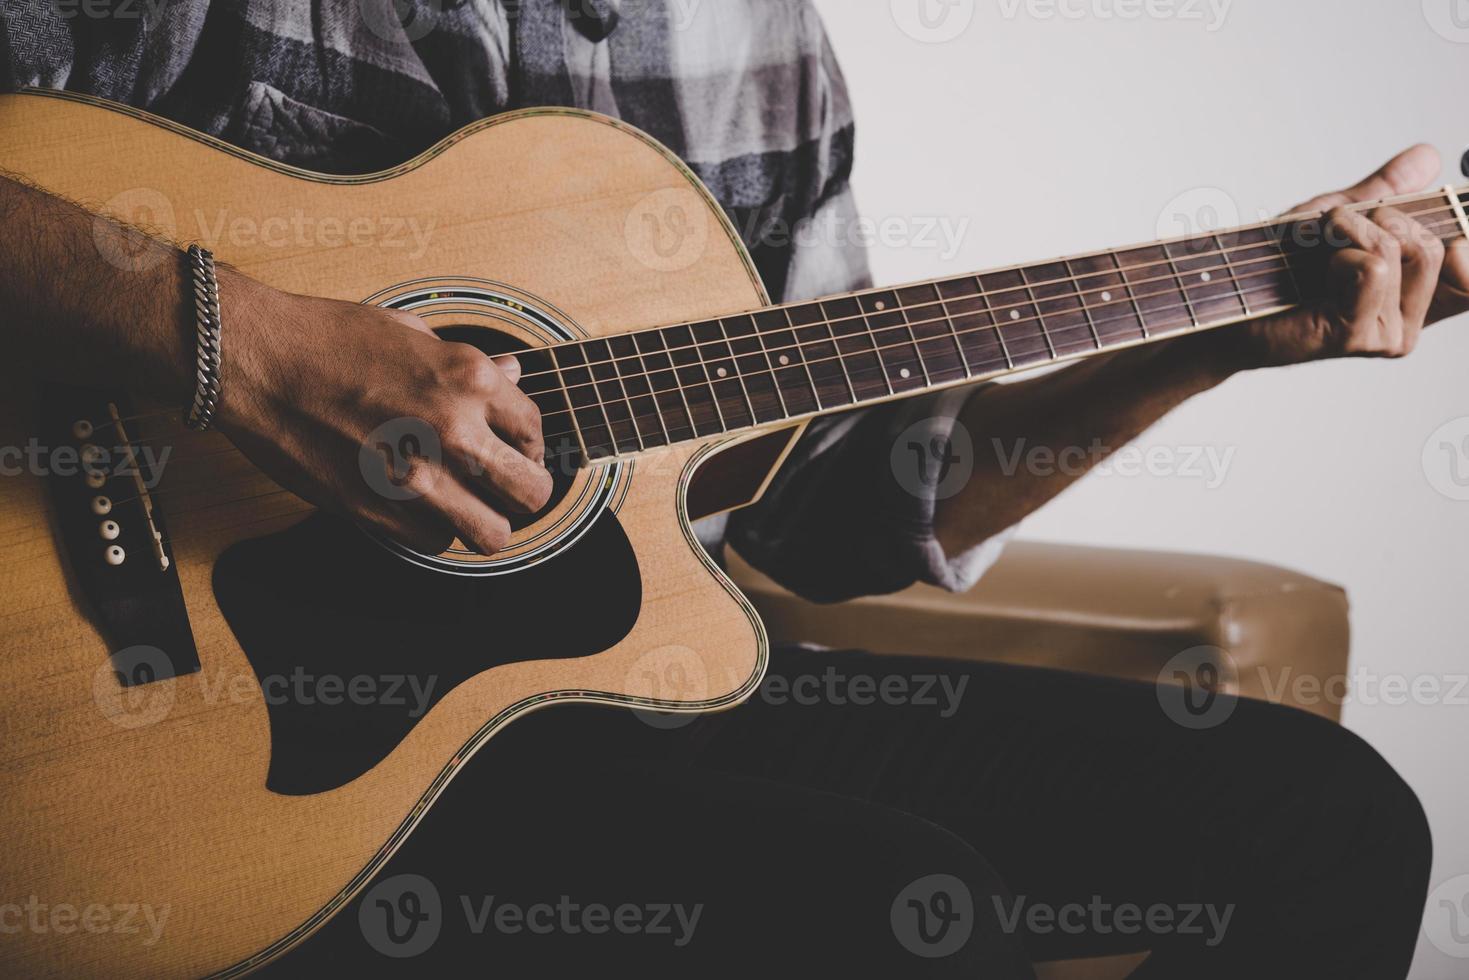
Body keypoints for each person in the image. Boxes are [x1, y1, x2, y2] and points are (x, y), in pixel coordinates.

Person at [1, 2, 1459, 976]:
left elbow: (833, 519)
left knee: (1321, 815)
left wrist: (1206, 343)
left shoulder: (747, 41)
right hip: (155, 737)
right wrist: (235, 345)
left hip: (567, 690)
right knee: (884, 909)